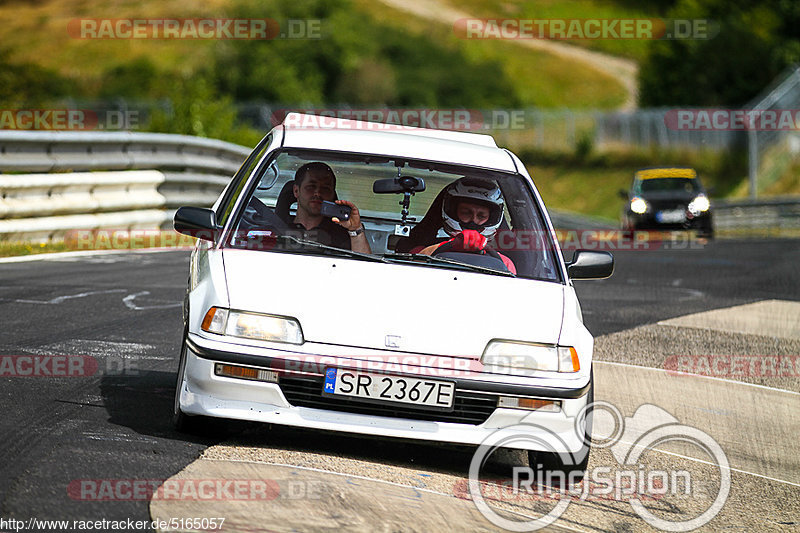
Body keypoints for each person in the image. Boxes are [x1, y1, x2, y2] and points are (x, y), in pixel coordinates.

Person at [415, 177, 516, 274]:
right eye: (466, 213)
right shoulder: (423, 251)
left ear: (491, 218)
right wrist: (451, 245)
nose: (474, 220)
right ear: (454, 212)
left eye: (482, 216)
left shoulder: (505, 263)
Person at [289, 162, 371, 254]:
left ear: (332, 195)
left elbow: (363, 266)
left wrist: (355, 229)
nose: (317, 193)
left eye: (325, 189)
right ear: (296, 191)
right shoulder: (277, 227)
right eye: (311, 187)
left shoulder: (341, 236)